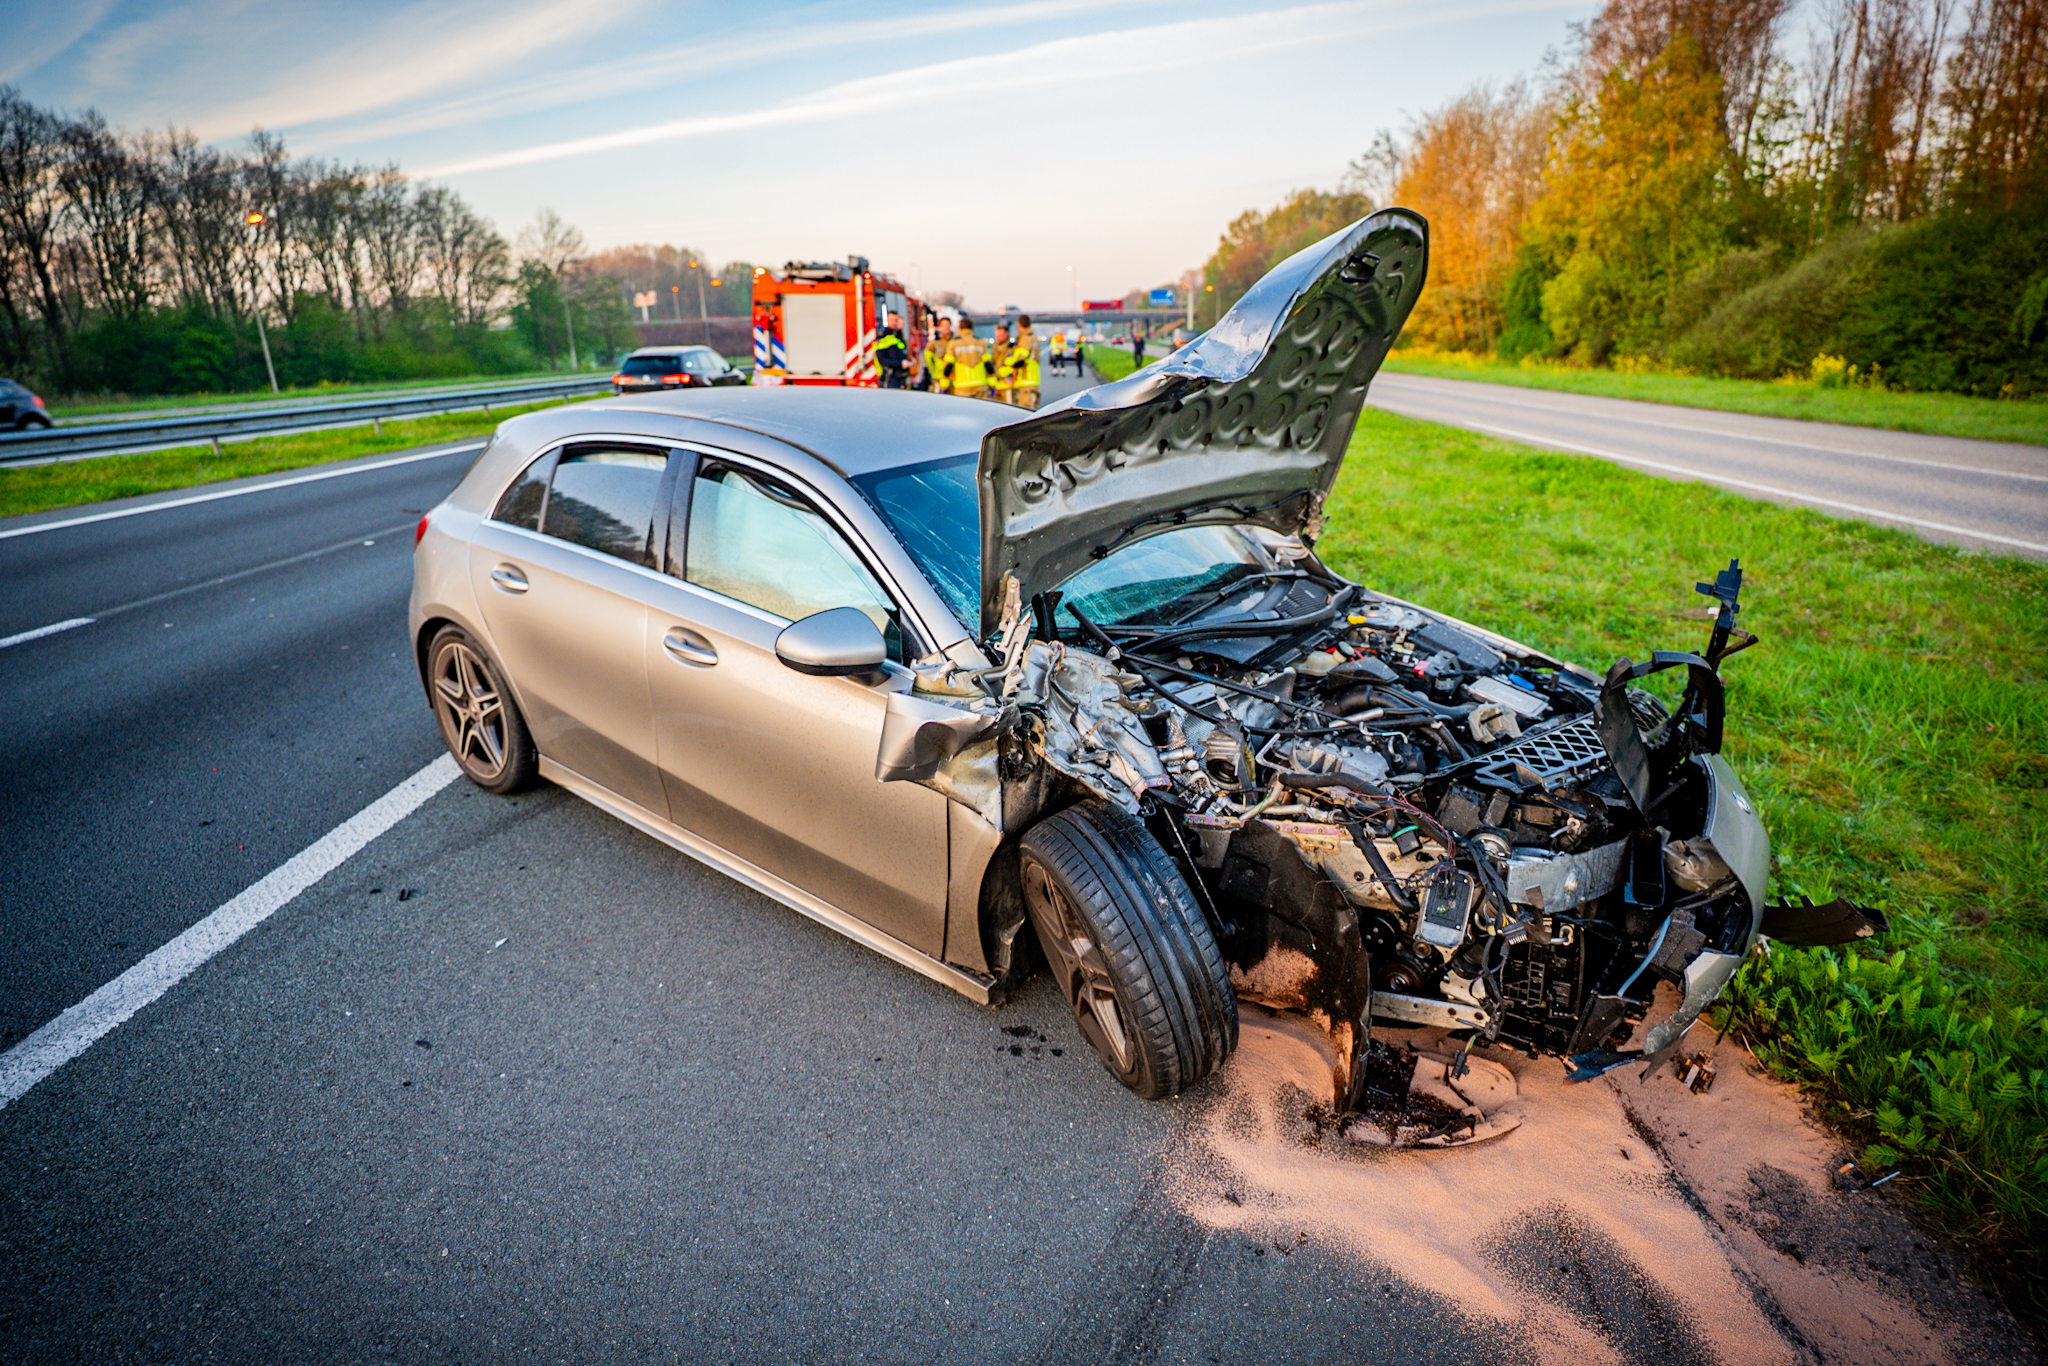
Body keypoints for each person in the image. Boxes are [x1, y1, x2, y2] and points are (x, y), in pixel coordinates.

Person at [1002, 322, 1041, 409]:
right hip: (1033, 378)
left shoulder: (1026, 338)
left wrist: (1009, 362)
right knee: (1032, 407)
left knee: (1026, 409)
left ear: (1020, 325)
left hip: (1026, 378)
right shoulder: (1033, 337)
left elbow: (1021, 359)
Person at [948, 318, 989, 399]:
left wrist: (944, 385)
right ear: (972, 328)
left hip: (962, 387)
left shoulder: (953, 344)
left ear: (959, 328)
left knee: (965, 410)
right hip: (980, 385)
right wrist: (992, 383)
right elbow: (988, 365)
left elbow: (948, 365)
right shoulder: (980, 342)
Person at [875, 310, 908, 389]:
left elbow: (902, 354)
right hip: (889, 378)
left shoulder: (899, 337)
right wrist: (900, 364)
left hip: (900, 377)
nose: (894, 323)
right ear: (887, 321)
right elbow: (882, 360)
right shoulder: (883, 337)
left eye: (896, 320)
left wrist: (908, 361)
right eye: (891, 320)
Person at [920, 316, 954, 393]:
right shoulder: (934, 342)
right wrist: (933, 369)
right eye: (944, 325)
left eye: (948, 325)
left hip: (953, 377)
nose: (946, 327)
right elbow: (928, 357)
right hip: (938, 377)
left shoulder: (955, 341)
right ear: (940, 326)